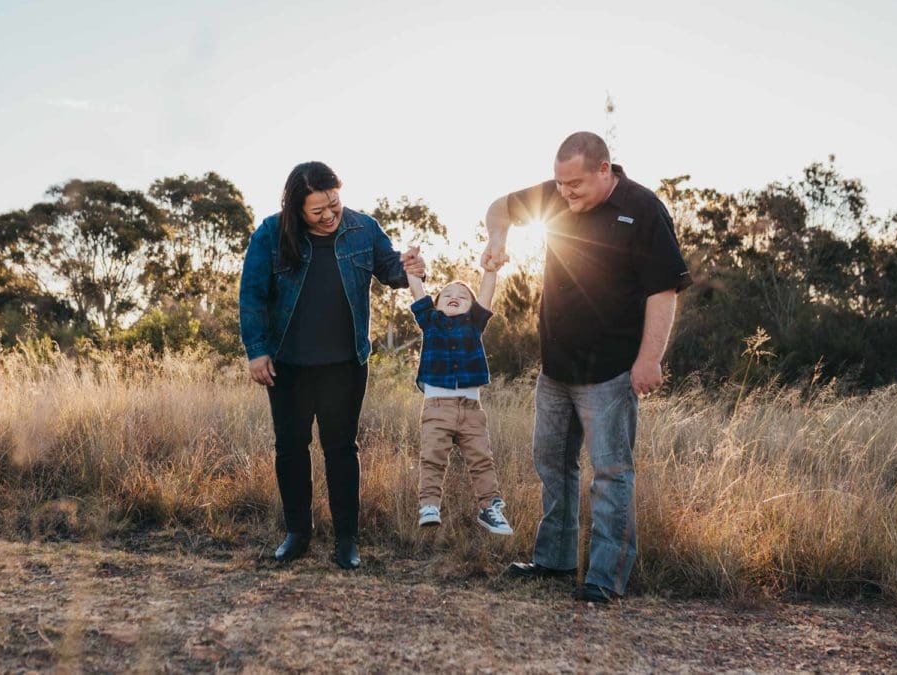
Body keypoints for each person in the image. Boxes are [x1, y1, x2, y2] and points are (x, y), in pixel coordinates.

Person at [482, 132, 692, 603]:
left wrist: (649, 359)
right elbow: (500, 206)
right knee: (552, 465)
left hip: (612, 372)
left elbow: (663, 291)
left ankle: (604, 579)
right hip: (555, 369)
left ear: (604, 170)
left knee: (611, 474)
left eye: (574, 183)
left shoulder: (643, 209)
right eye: (559, 183)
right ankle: (555, 561)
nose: (565, 193)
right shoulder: (557, 194)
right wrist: (499, 236)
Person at [239, 161, 426, 570]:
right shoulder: (271, 234)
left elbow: (390, 268)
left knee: (341, 450)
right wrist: (256, 349)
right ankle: (297, 535)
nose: (329, 216)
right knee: (290, 449)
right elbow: (252, 294)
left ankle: (346, 541)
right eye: (317, 211)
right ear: (296, 209)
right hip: (287, 365)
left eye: (334, 205)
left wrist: (409, 267)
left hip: (345, 364)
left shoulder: (362, 228)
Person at [406, 263, 513, 536]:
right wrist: (411, 270)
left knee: (482, 460)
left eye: (463, 296)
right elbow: (418, 291)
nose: (455, 297)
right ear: (437, 303)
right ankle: (429, 505)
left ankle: (490, 507)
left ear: (471, 306)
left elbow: (486, 294)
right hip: (437, 407)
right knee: (432, 458)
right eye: (447, 294)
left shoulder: (474, 324)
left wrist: (490, 270)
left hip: (471, 410)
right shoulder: (430, 322)